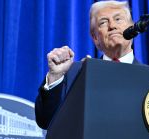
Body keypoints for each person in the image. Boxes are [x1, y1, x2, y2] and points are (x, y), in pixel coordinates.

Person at [35, 0, 140, 129]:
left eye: (118, 19)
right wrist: (55, 76)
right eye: (103, 22)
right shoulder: (74, 72)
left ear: (133, 28)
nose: (112, 26)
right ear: (95, 38)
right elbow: (46, 120)